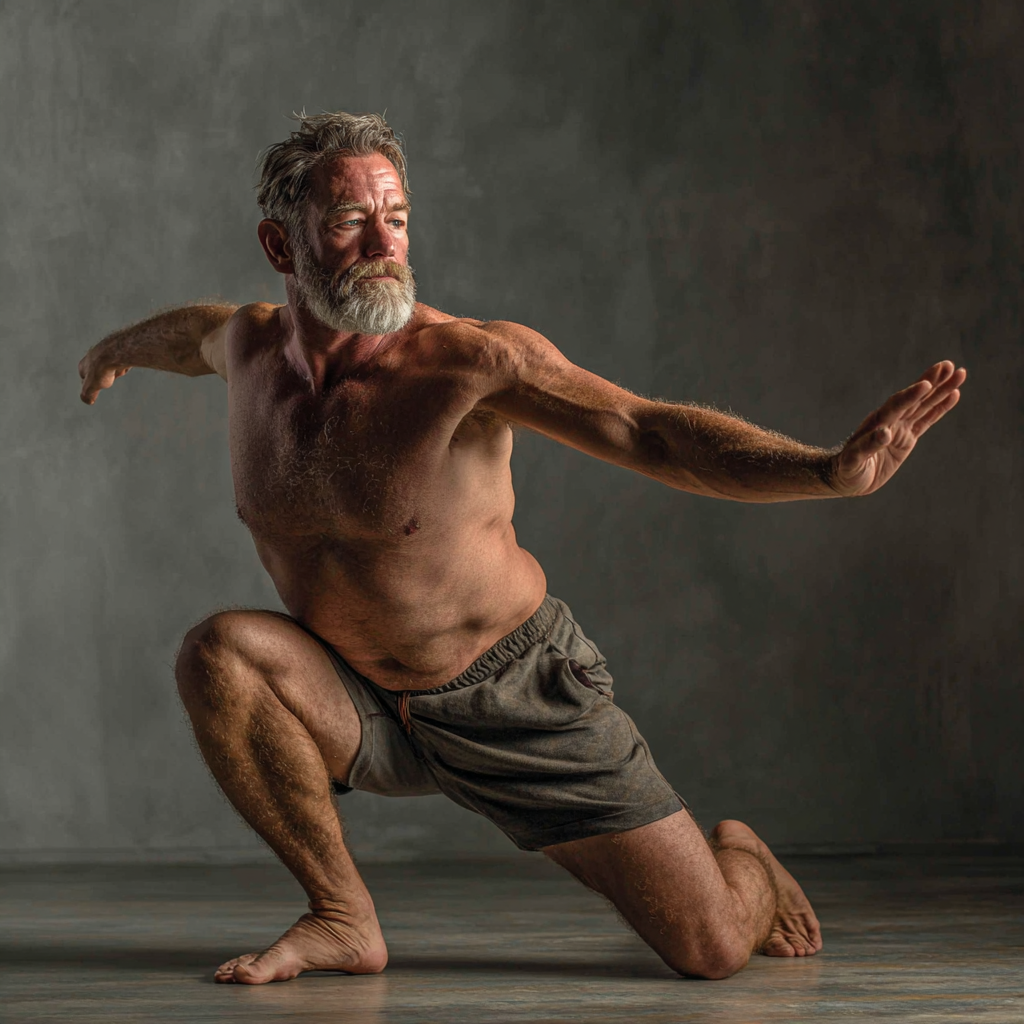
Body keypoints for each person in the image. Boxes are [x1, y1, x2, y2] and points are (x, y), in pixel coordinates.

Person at [77, 111, 966, 985]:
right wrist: (114, 349)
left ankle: (743, 858)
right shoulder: (246, 346)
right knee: (218, 655)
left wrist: (824, 472)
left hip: (511, 693)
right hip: (358, 694)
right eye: (349, 222)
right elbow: (191, 333)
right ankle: (342, 916)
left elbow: (646, 431)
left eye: (397, 217)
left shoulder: (469, 363)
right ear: (281, 245)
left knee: (713, 950)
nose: (384, 243)